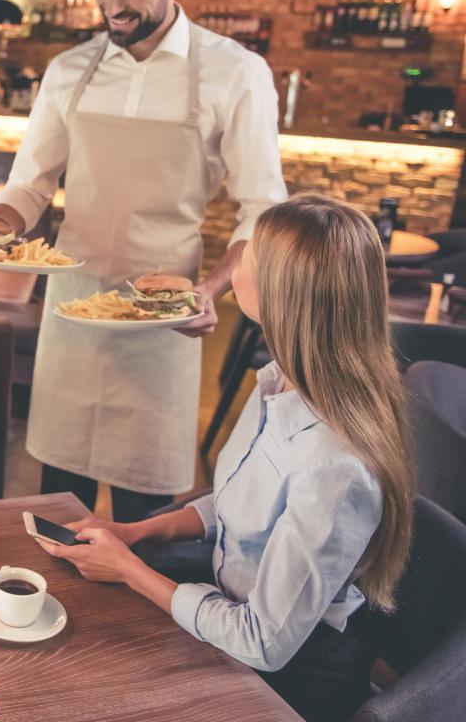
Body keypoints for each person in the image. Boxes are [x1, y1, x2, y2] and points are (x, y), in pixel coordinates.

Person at [37, 195, 414, 721]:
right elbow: (237, 502)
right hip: (226, 601)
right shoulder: (280, 382)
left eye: (249, 254)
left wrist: (129, 572)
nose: (234, 263)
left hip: (289, 673)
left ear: (283, 292)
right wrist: (135, 533)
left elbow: (262, 642)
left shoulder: (337, 467)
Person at [0, 0, 287, 521]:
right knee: (57, 505)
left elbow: (263, 208)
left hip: (162, 318)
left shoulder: (236, 72)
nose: (111, 5)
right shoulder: (68, 69)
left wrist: (211, 289)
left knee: (142, 516)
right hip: (73, 307)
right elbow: (29, 184)